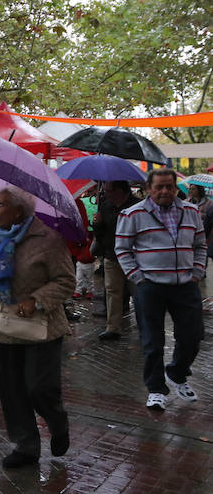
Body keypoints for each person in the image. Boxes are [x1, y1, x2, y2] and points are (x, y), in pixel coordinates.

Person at [0, 186, 75, 469]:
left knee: (39, 387)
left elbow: (66, 281)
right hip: (3, 326)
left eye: (0, 205)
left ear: (18, 211)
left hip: (42, 328)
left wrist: (36, 300)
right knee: (11, 390)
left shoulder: (48, 238)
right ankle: (26, 445)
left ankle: (58, 423)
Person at [115, 168, 205, 411]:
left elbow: (200, 245)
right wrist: (137, 277)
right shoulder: (132, 214)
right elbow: (122, 248)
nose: (164, 191)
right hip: (150, 287)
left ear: (176, 188)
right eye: (159, 187)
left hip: (186, 285)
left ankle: (175, 373)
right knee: (152, 341)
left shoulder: (191, 211)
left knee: (193, 335)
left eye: (169, 186)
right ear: (148, 189)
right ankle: (156, 389)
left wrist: (197, 272)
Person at [92, 181, 140, 340]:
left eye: (108, 190)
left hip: (135, 258)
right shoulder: (105, 206)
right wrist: (97, 224)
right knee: (112, 292)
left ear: (120, 190)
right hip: (111, 256)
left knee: (138, 292)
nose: (105, 193)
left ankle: (145, 325)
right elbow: (100, 235)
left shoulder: (138, 206)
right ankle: (113, 327)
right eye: (104, 191)